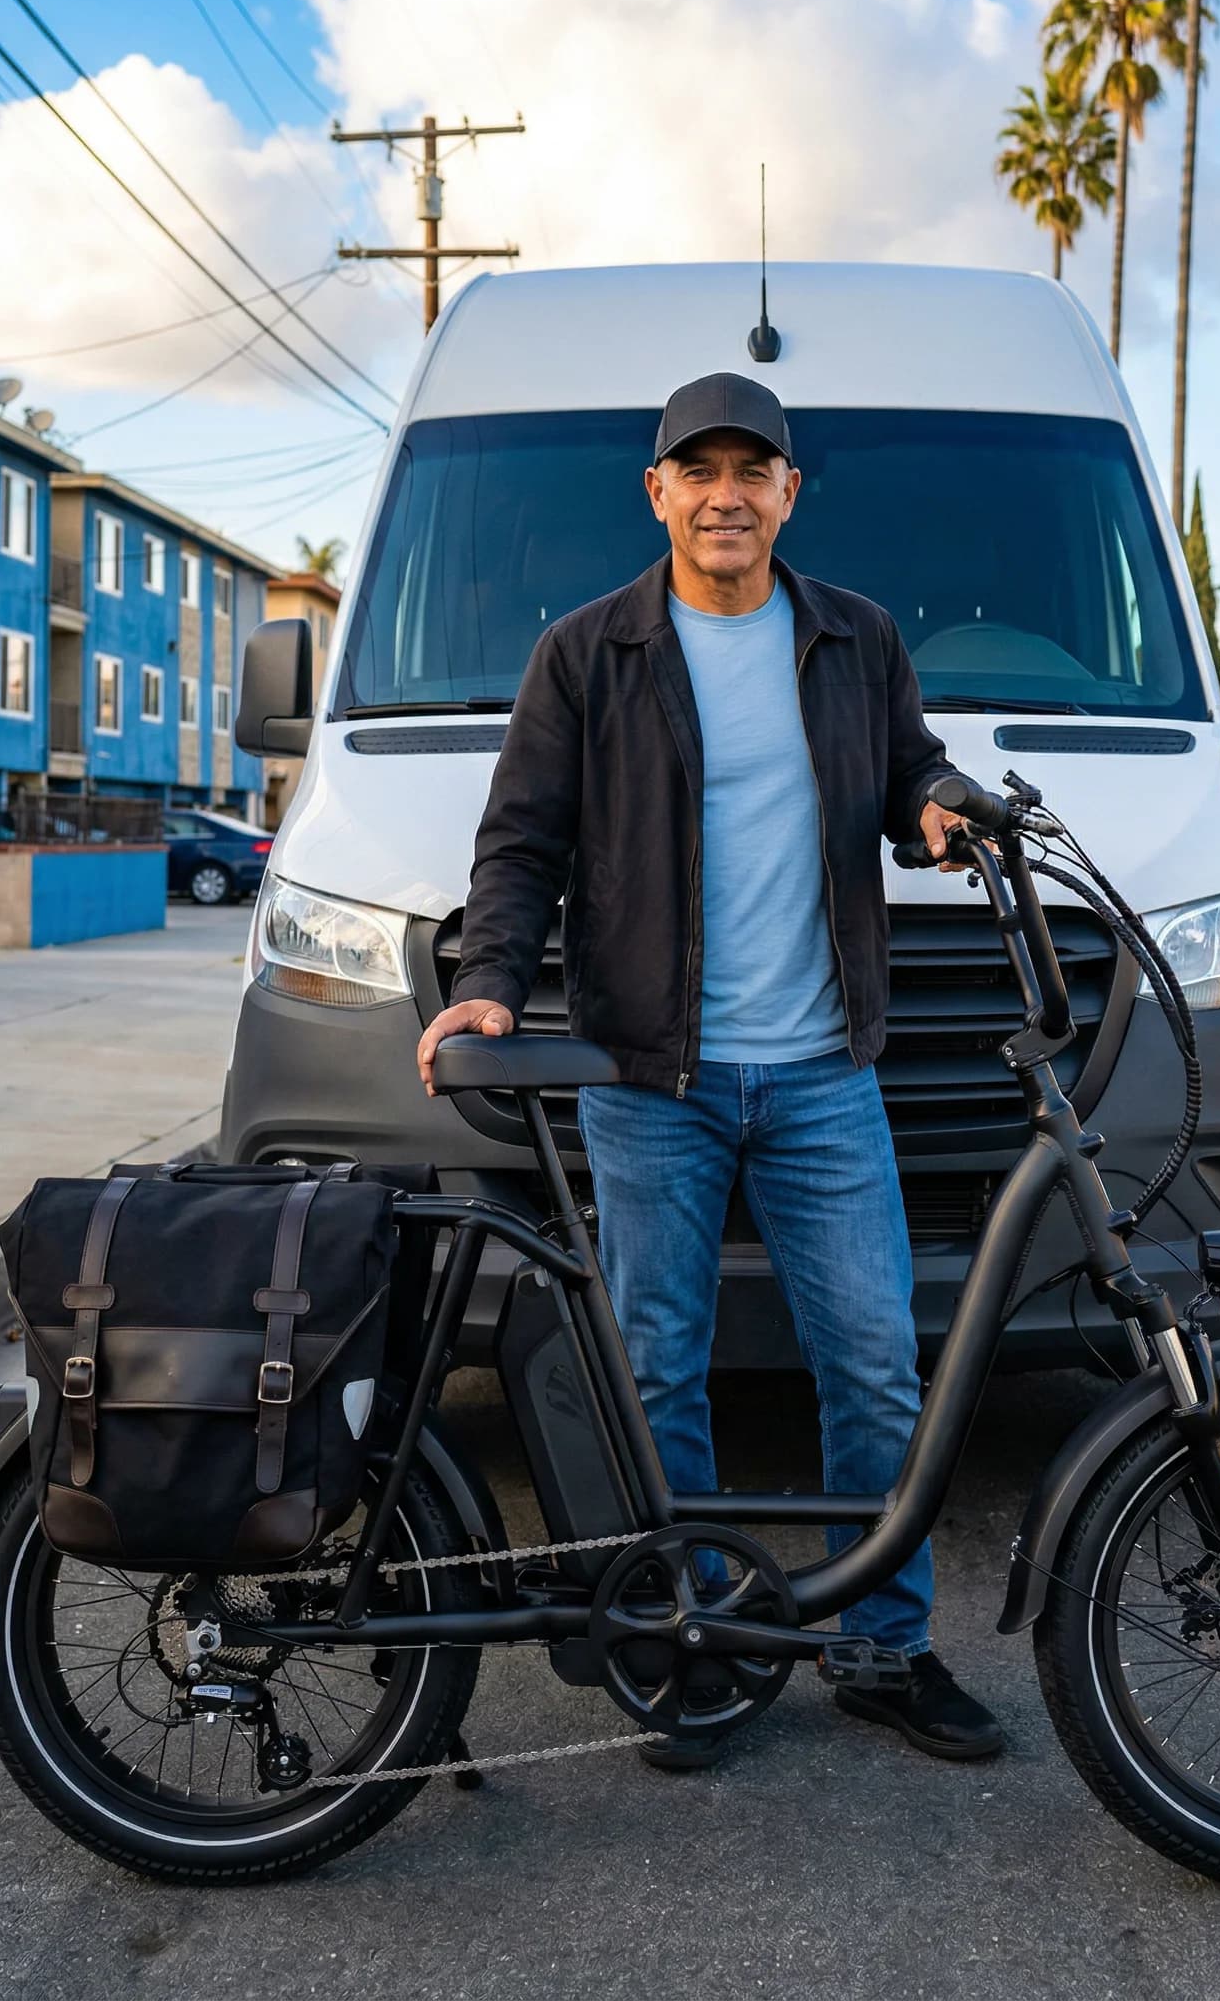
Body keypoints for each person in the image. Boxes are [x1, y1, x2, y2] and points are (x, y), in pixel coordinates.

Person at [418, 370, 1003, 1770]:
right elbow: (523, 848)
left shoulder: (854, 641)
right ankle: (686, 1644)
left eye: (756, 471)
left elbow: (908, 765)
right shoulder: (587, 653)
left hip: (821, 1073)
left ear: (790, 493)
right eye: (703, 470)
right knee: (656, 1371)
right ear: (660, 492)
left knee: (870, 1367)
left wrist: (938, 803)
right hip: (649, 1078)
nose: (728, 494)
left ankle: (885, 1648)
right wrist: (490, 983)